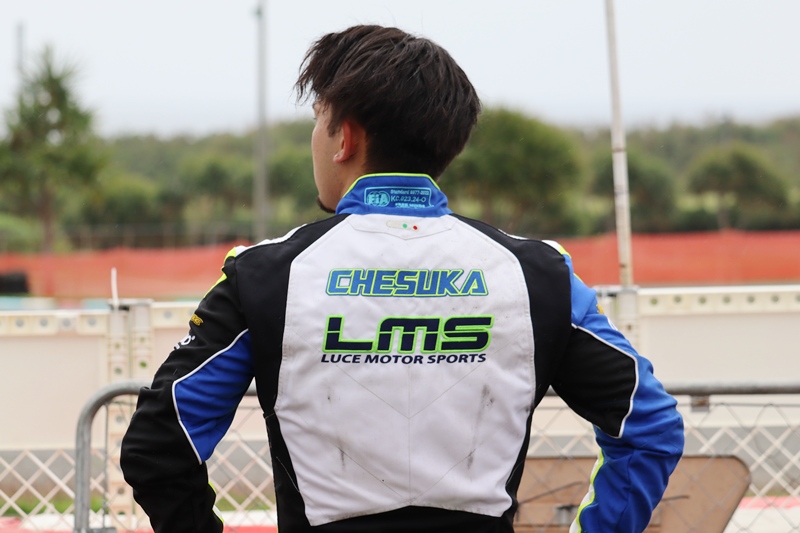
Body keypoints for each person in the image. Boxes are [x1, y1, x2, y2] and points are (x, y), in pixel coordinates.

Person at [121, 24, 684, 533]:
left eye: (318, 118)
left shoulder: (266, 273)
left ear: (345, 138)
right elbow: (649, 428)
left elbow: (158, 445)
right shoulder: (539, 273)